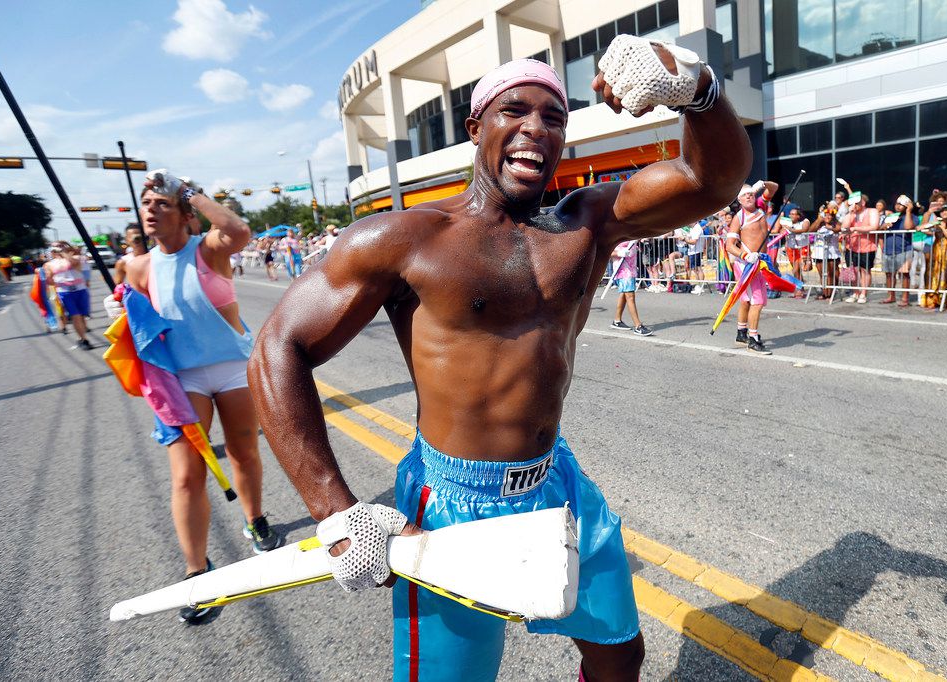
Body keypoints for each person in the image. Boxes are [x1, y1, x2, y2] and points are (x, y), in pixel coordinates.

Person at [249, 40, 749, 681]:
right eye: (515, 111)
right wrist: (336, 510)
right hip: (450, 503)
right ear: (475, 127)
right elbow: (276, 350)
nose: (536, 130)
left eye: (554, 118)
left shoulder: (587, 223)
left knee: (620, 657)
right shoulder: (406, 239)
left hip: (554, 484)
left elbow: (713, 181)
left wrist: (697, 90)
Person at [106, 169, 284, 624]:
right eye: (146, 204)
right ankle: (196, 572)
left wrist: (188, 191)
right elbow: (140, 323)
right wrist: (121, 306)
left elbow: (239, 230)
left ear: (186, 216)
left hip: (231, 367)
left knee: (244, 452)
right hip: (182, 379)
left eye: (161, 203)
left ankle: (255, 518)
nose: (151, 210)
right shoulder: (138, 266)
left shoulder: (208, 249)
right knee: (187, 476)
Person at [724, 183, 774, 354]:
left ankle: (741, 333)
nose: (748, 196)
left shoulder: (761, 208)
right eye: (744, 194)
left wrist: (762, 185)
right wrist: (746, 256)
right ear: (739, 199)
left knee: (746, 299)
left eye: (751, 193)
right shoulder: (739, 218)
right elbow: (729, 245)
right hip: (746, 264)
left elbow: (773, 188)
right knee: (757, 301)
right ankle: (753, 339)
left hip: (759, 263)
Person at [44, 242, 93, 350]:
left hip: (80, 290)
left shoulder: (76, 258)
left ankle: (82, 336)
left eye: (61, 247)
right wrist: (57, 282)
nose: (58, 250)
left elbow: (75, 264)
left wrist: (65, 254)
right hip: (65, 292)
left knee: (83, 315)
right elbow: (49, 280)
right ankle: (84, 339)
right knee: (75, 316)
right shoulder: (49, 264)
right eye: (55, 248)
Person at [841, 193, 879, 303]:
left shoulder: (872, 211)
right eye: (852, 203)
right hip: (851, 246)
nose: (854, 205)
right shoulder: (851, 214)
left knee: (865, 270)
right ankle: (855, 292)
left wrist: (855, 229)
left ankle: (863, 294)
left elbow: (874, 226)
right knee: (852, 270)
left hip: (867, 246)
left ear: (863, 202)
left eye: (856, 203)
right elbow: (844, 227)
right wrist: (850, 213)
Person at [922, 202, 947, 310]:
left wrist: (943, 228)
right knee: (935, 274)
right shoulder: (937, 222)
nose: (944, 213)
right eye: (942, 211)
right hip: (937, 249)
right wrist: (927, 222)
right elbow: (921, 228)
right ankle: (933, 299)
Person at [609, 240, 652, 336]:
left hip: (631, 268)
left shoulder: (631, 233)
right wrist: (619, 253)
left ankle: (617, 320)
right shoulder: (617, 233)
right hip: (623, 270)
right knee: (630, 296)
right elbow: (607, 251)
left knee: (624, 295)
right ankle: (638, 326)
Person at [879, 196, 916, 306]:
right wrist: (884, 226)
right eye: (897, 204)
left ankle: (905, 298)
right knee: (889, 274)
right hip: (888, 250)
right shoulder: (890, 216)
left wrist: (909, 211)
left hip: (904, 249)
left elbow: (908, 227)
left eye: (901, 204)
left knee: (904, 274)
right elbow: (879, 229)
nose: (898, 206)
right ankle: (891, 296)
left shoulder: (912, 217)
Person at [782, 207, 811, 297]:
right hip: (791, 248)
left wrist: (791, 230)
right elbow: (781, 231)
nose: (791, 216)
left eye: (794, 214)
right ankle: (800, 289)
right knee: (796, 271)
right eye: (790, 214)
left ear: (798, 216)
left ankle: (799, 289)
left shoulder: (805, 221)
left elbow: (804, 230)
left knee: (797, 269)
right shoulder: (786, 222)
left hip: (802, 247)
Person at [685, 220, 707, 293]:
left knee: (697, 269)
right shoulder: (693, 229)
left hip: (696, 251)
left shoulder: (697, 228)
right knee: (696, 268)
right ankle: (699, 285)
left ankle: (700, 286)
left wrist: (685, 240)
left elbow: (694, 241)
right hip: (693, 251)